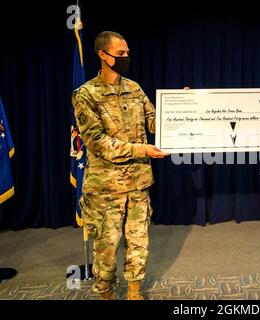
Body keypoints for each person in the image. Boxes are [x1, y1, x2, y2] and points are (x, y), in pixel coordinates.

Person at [72, 31, 169, 300]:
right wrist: (141, 149)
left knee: (138, 243)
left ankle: (135, 292)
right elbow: (96, 141)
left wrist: (179, 110)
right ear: (103, 55)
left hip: (138, 183)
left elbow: (154, 123)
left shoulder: (134, 89)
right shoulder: (85, 94)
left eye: (127, 52)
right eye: (120, 53)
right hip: (106, 189)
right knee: (107, 246)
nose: (126, 57)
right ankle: (106, 294)